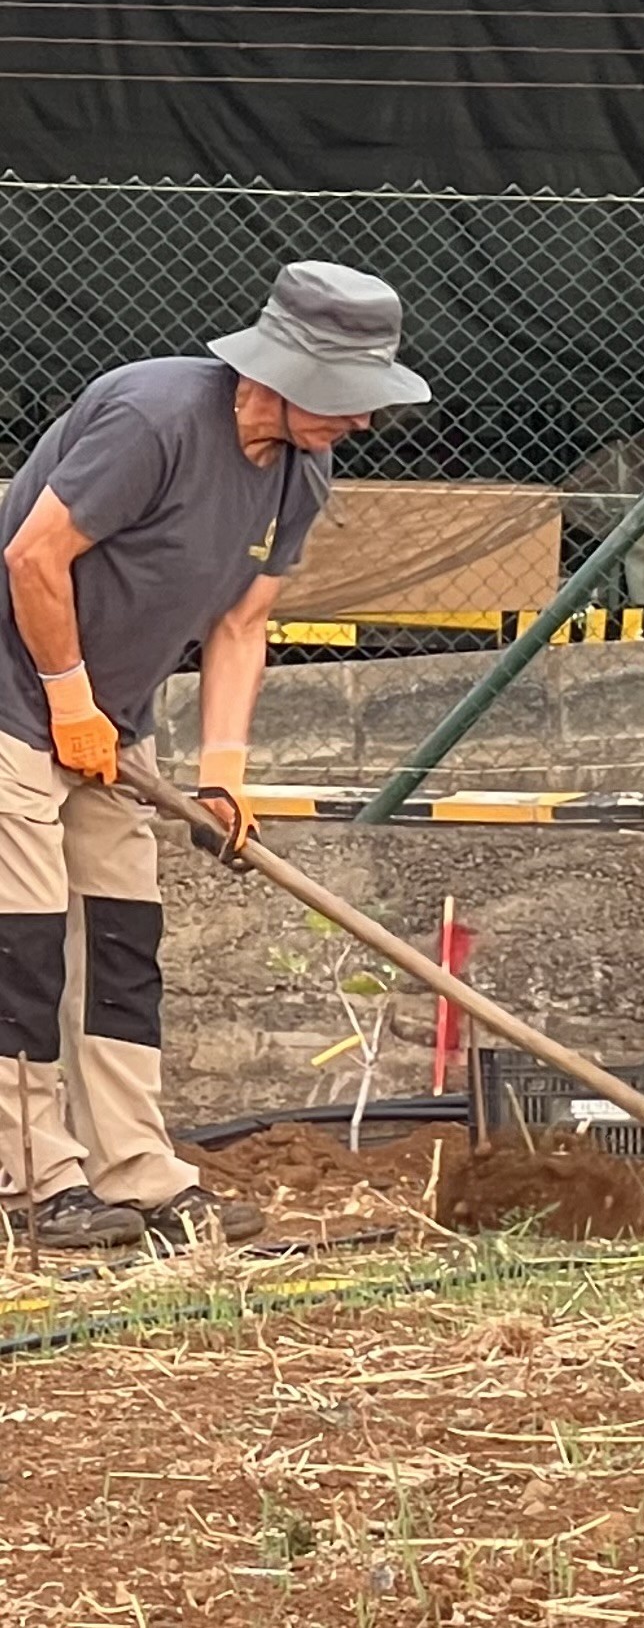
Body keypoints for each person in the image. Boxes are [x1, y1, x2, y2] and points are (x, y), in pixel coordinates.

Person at [0, 262, 430, 1248]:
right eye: (350, 397)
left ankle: (137, 1169)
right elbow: (33, 554)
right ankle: (34, 1181)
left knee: (120, 945)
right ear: (284, 375)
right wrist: (67, 696)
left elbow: (244, 622)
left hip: (112, 726)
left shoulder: (300, 470)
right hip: (15, 705)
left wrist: (224, 768)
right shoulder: (153, 418)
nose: (362, 421)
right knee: (22, 947)